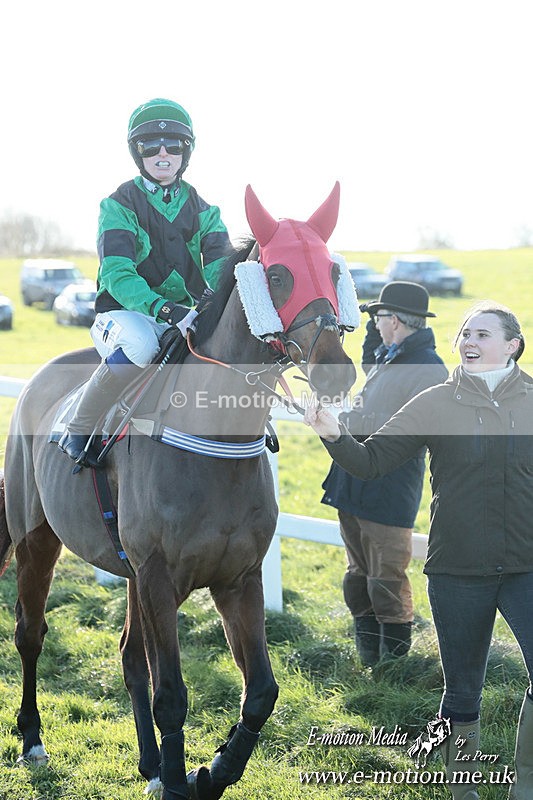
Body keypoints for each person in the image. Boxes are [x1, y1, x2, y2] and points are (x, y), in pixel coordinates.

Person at [305, 301, 532, 799]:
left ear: (512, 345)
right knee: (463, 691)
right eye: (465, 334)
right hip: (457, 570)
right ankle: (462, 788)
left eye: (483, 334)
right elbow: (371, 461)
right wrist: (333, 433)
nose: (468, 341)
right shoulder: (436, 402)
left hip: (526, 568)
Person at [59, 98, 231, 465]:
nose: (162, 154)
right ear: (138, 154)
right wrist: (166, 309)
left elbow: (221, 268)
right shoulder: (117, 205)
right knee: (140, 343)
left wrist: (217, 305)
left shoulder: (206, 212)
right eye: (150, 146)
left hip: (185, 315)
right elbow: (118, 273)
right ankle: (80, 425)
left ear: (187, 152)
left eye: (173, 146)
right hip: (124, 316)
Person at [321, 282, 447, 666]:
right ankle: (370, 661)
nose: (374, 323)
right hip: (354, 482)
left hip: (388, 489)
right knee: (358, 575)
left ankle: (393, 668)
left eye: (379, 317)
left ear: (394, 320)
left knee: (387, 580)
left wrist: (353, 421)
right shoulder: (391, 355)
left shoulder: (427, 368)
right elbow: (368, 357)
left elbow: (408, 433)